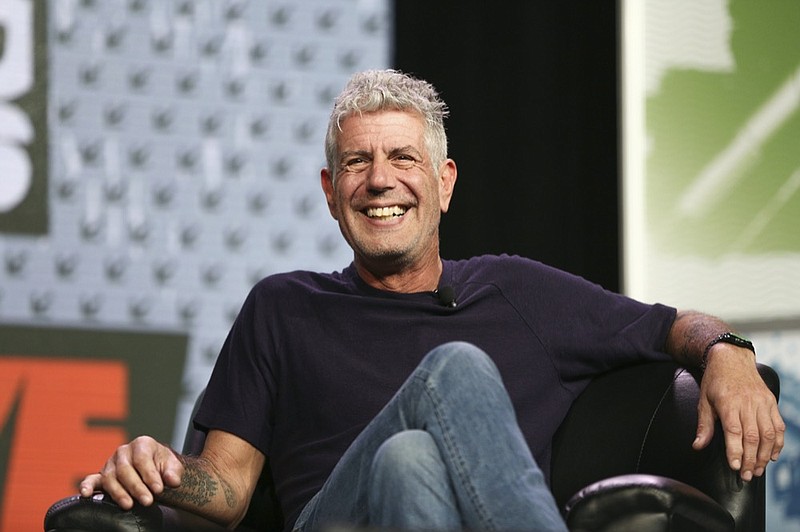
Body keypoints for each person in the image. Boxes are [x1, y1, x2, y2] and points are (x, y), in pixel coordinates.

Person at [80, 69, 785, 531]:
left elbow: (671, 328)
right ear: (330, 193)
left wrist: (726, 350)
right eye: (358, 162)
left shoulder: (516, 292)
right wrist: (164, 470)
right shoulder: (284, 308)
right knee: (456, 369)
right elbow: (227, 490)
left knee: (408, 461)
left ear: (444, 183)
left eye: (403, 159)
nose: (379, 181)